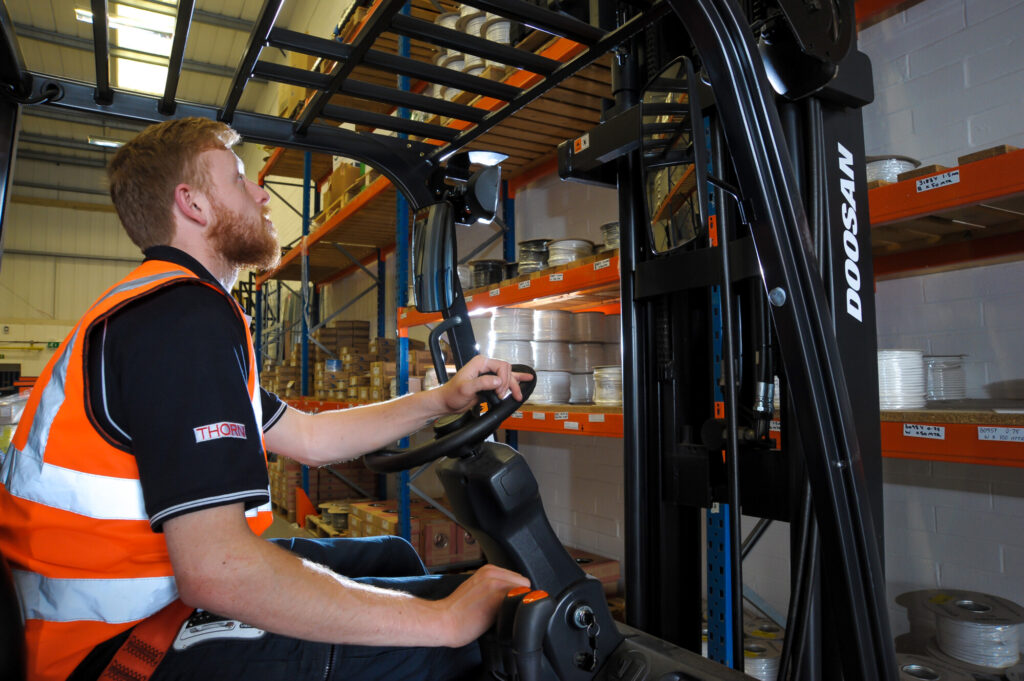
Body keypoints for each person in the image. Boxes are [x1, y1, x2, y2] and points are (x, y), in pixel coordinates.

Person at [0, 117, 531, 681]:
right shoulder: (180, 320)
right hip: (114, 648)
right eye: (237, 179)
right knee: (478, 644)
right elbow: (221, 573)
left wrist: (441, 400)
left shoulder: (171, 308)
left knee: (395, 557)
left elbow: (309, 437)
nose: (259, 192)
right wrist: (442, 623)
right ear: (193, 204)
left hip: (143, 599)